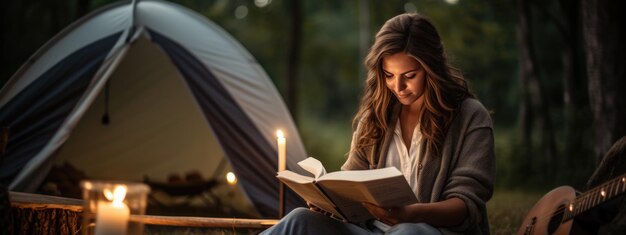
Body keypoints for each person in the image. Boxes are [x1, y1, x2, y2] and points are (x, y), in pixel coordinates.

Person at [261, 13, 495, 235]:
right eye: (389, 75)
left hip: (427, 232)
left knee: (407, 231)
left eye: (410, 75)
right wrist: (331, 203)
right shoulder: (376, 118)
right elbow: (351, 180)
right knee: (300, 219)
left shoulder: (469, 117)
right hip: (370, 231)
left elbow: (466, 205)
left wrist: (410, 215)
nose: (398, 87)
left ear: (431, 68)